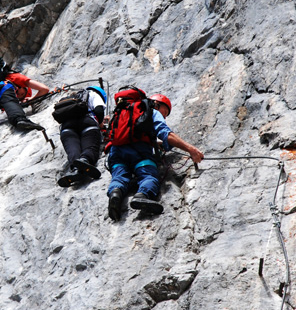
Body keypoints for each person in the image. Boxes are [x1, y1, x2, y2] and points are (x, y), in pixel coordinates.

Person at [106, 92, 204, 220]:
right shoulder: (151, 111)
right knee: (149, 176)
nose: (164, 116)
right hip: (140, 153)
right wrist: (191, 149)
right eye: (165, 112)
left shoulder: (125, 111)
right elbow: (165, 133)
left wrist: (155, 143)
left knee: (119, 176)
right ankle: (142, 196)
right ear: (157, 104)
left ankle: (115, 193)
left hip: (116, 153)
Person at [56, 86, 107, 187]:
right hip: (87, 122)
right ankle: (85, 160)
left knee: (73, 149)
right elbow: (99, 110)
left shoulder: (68, 98)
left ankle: (75, 169)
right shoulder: (93, 94)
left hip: (67, 127)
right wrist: (101, 124)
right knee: (90, 146)